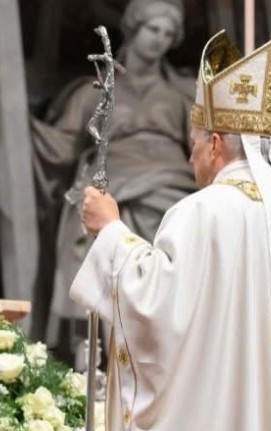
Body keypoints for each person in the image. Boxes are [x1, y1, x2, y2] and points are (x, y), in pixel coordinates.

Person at [72, 31, 271, 431]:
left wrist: (110, 231)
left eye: (194, 145)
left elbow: (156, 307)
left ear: (216, 144)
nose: (190, 160)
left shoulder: (204, 212)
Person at [35, 0, 196, 356]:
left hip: (171, 184)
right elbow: (60, 147)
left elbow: (200, 149)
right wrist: (11, 122)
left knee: (181, 239)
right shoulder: (94, 90)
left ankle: (165, 348)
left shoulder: (182, 94)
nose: (160, 40)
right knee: (87, 218)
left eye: (169, 34)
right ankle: (97, 355)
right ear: (135, 27)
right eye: (154, 29)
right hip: (113, 179)